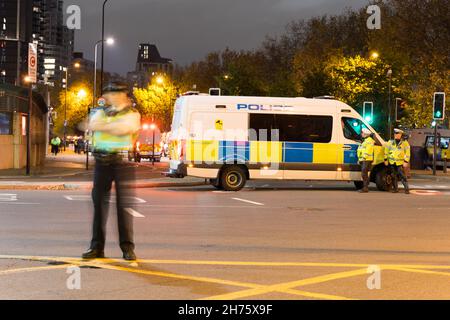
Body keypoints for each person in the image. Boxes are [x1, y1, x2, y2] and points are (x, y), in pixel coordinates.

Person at [82, 82, 141, 261]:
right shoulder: (101, 112)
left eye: (112, 93)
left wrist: (103, 126)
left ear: (122, 94)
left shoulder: (132, 114)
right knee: (99, 206)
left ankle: (127, 248)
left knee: (123, 207)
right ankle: (96, 247)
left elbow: (123, 128)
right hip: (101, 161)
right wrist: (103, 125)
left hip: (121, 161)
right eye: (108, 93)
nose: (109, 97)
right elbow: (91, 126)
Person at [384, 128, 411, 194]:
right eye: (395, 134)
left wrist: (406, 161)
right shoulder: (390, 142)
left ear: (401, 135)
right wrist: (385, 159)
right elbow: (386, 151)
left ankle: (406, 189)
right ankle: (395, 189)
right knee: (393, 175)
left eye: (397, 134)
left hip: (400, 162)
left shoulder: (404, 143)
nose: (396, 135)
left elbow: (408, 153)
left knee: (402, 175)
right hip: (391, 162)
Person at [357, 128, 375, 193]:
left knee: (364, 173)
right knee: (364, 173)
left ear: (365, 134)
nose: (361, 134)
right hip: (364, 159)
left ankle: (365, 187)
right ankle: (365, 187)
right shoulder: (365, 141)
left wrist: (363, 158)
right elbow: (361, 150)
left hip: (366, 159)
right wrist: (360, 159)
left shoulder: (369, 141)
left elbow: (368, 150)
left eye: (362, 133)